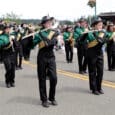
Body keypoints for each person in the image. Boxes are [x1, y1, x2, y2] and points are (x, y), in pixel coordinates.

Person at [31, 16, 58, 107]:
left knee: (54, 78)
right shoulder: (39, 33)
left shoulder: (53, 31)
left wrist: (56, 39)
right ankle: (44, 99)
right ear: (43, 24)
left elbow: (56, 42)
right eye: (47, 23)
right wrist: (36, 37)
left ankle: (52, 97)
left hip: (51, 56)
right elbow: (32, 44)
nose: (49, 24)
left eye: (50, 22)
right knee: (42, 78)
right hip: (42, 56)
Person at [86, 17, 107, 95]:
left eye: (101, 25)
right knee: (92, 71)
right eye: (99, 25)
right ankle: (94, 88)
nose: (100, 27)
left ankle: (99, 87)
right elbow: (91, 39)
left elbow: (106, 38)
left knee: (100, 71)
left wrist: (103, 37)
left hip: (99, 53)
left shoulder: (103, 32)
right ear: (94, 26)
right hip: (92, 53)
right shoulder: (90, 33)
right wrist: (96, 35)